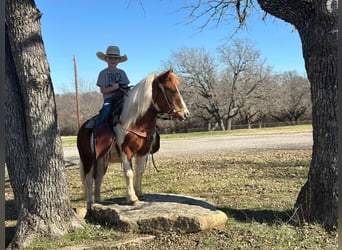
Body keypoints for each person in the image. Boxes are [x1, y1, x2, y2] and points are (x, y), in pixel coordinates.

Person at [95, 45, 130, 130]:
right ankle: (98, 130)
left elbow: (127, 87)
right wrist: (114, 88)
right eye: (110, 58)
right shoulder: (103, 73)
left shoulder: (122, 73)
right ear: (106, 59)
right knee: (106, 109)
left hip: (123, 98)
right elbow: (103, 90)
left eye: (115, 58)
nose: (113, 60)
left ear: (119, 60)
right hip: (109, 99)